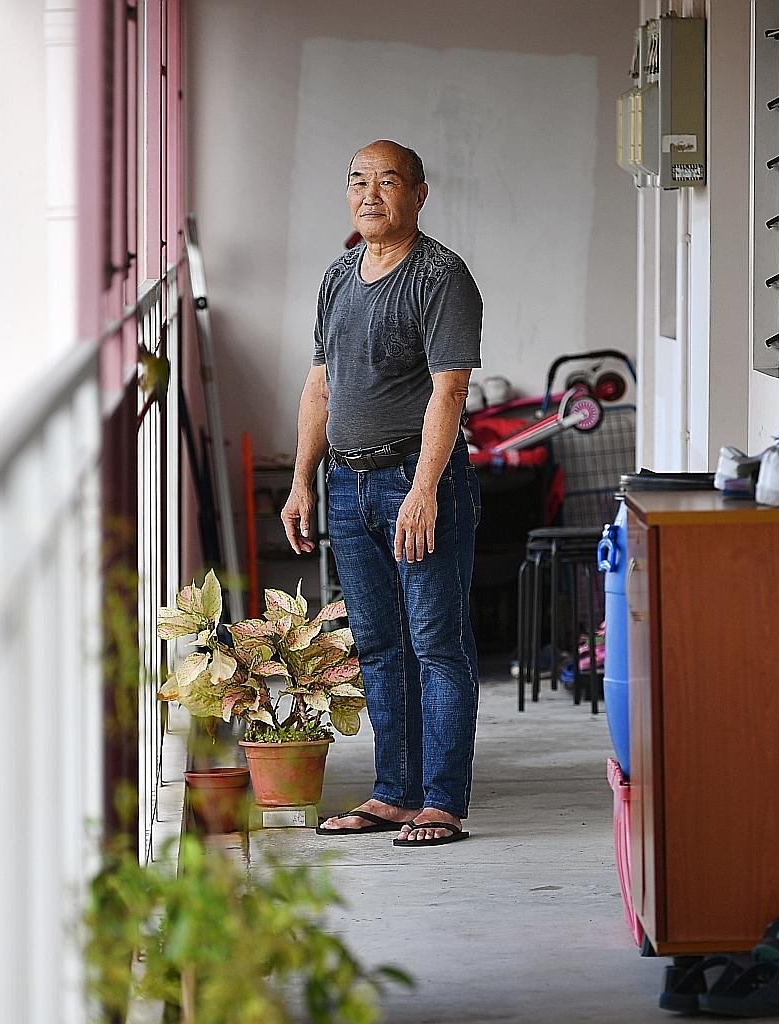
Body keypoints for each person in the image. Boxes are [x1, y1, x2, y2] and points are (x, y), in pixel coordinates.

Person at [280, 139, 483, 848]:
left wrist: (425, 489)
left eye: (387, 181)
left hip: (415, 481)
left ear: (419, 194)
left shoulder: (441, 276)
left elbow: (450, 388)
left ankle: (441, 803)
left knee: (436, 643)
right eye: (357, 180)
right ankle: (393, 794)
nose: (370, 194)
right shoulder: (338, 276)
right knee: (377, 646)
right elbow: (320, 383)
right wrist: (302, 479)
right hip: (346, 483)